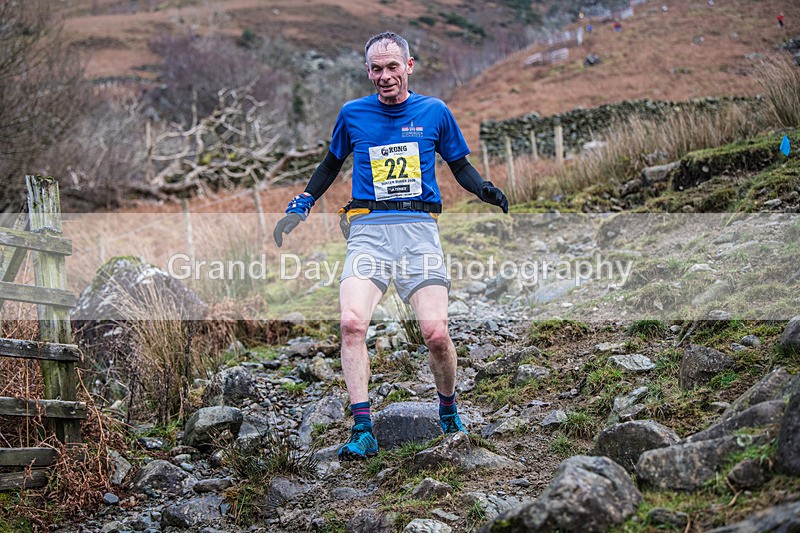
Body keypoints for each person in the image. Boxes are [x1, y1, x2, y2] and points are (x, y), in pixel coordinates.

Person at [273, 32, 508, 461]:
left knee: (436, 334)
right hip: (369, 231)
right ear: (368, 72)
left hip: (419, 229)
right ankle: (363, 428)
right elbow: (330, 165)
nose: (385, 76)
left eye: (392, 67)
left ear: (409, 66)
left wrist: (484, 190)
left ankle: (448, 409)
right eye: (376, 69)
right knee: (351, 324)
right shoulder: (352, 114)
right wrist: (301, 205)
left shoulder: (434, 112)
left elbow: (459, 164)